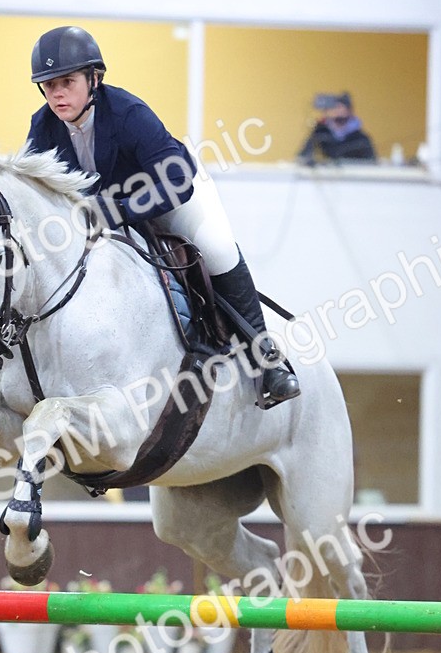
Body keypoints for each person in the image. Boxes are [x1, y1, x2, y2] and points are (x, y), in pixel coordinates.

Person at [26, 25, 300, 407]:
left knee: (217, 247)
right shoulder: (42, 127)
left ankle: (267, 360)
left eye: (66, 82)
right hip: (107, 213)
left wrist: (118, 211)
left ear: (94, 78)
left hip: (171, 193)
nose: (56, 94)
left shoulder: (128, 113)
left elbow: (176, 181)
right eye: (48, 84)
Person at [297, 93, 377, 164]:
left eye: (340, 107)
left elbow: (371, 162)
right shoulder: (320, 133)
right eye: (334, 107)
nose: (337, 110)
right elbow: (303, 157)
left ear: (349, 110)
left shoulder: (361, 139)